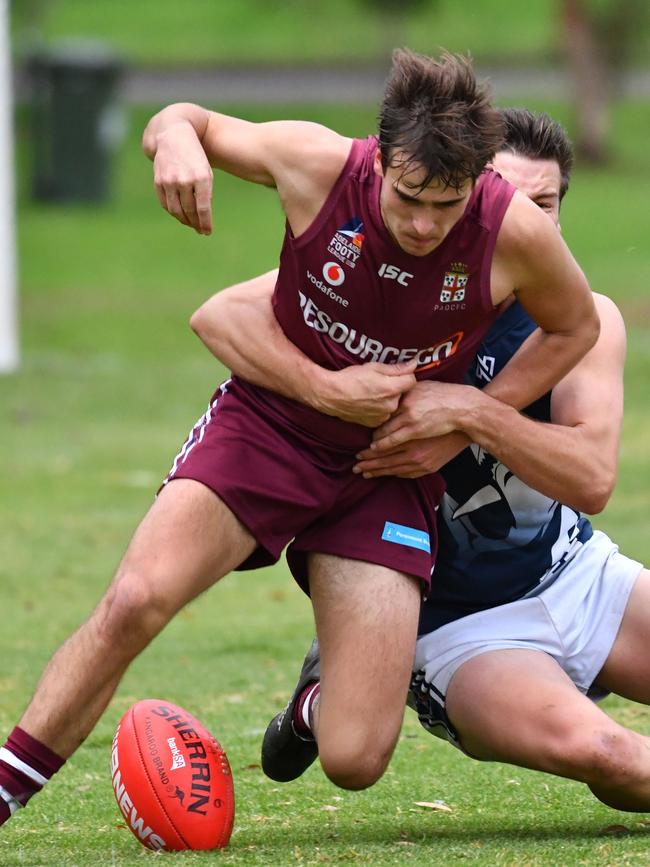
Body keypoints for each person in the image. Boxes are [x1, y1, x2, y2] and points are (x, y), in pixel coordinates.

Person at [0, 52, 599, 829]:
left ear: (479, 182)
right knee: (135, 600)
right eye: (408, 197)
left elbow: (576, 326)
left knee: (356, 755)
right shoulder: (316, 164)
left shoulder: (511, 231)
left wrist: (463, 415)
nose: (422, 224)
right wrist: (176, 139)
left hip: (386, 466)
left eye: (445, 206)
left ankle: (320, 696)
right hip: (270, 427)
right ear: (378, 160)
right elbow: (186, 118)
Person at [191, 108, 650, 812]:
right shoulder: (391, 293)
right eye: (507, 200)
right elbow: (221, 312)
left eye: (546, 206)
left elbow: (591, 479)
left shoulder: (586, 318)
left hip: (580, 576)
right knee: (613, 756)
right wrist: (324, 387)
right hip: (459, 629)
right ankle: (349, 675)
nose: (524, 223)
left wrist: (468, 412)